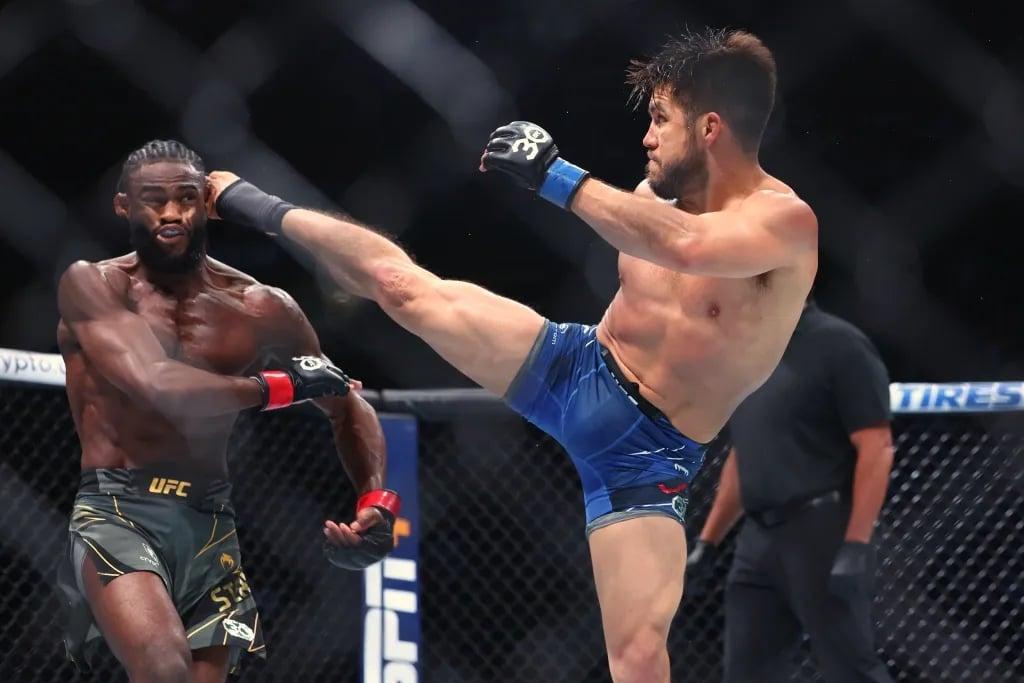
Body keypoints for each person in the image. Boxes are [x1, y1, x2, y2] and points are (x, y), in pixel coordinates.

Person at [209, 27, 817, 683]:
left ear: (710, 129)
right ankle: (253, 201)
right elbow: (652, 231)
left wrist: (555, 176)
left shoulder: (785, 223)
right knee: (404, 288)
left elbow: (691, 248)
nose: (647, 136)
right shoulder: (646, 198)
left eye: (661, 120)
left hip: (647, 450)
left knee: (638, 656)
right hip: (576, 363)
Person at [56, 140, 401, 683]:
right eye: (153, 200)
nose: (171, 213)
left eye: (186, 198)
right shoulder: (94, 285)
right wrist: (277, 387)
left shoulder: (262, 307)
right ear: (124, 206)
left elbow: (344, 401)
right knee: (162, 666)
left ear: (206, 204)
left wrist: (375, 499)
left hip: (209, 519)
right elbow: (155, 382)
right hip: (117, 510)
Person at [685, 300, 894, 683]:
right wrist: (709, 542)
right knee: (746, 674)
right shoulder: (750, 355)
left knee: (851, 670)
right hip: (757, 539)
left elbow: (877, 445)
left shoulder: (839, 343)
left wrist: (856, 544)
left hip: (821, 531)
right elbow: (744, 455)